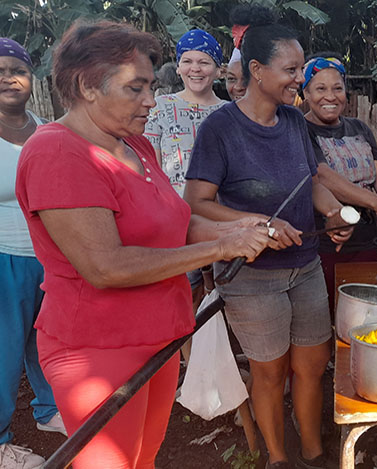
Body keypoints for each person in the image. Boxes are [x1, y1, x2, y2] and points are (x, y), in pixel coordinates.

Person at [15, 21, 271, 468]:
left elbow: (173, 221)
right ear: (86, 86)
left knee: (142, 459)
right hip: (98, 351)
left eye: (151, 86)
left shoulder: (133, 143)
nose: (151, 100)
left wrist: (236, 231)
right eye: (136, 88)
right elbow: (106, 267)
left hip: (157, 338)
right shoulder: (57, 153)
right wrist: (219, 249)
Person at [184, 6, 352, 468]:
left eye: (301, 69)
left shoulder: (294, 122)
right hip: (251, 276)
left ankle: (314, 452)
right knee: (270, 370)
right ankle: (278, 458)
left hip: (305, 266)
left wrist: (333, 211)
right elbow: (196, 202)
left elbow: (311, 180)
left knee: (312, 364)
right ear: (257, 71)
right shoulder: (221, 127)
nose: (300, 79)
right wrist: (258, 224)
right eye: (292, 70)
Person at [302, 52, 377, 311]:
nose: (330, 96)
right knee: (324, 322)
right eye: (319, 88)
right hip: (325, 246)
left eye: (337, 88)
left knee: (363, 316)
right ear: (305, 94)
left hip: (366, 244)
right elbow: (322, 175)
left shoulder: (359, 128)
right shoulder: (301, 131)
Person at [0, 37, 64, 469]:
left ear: (31, 76)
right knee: (3, 350)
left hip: (49, 257)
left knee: (47, 340)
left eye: (16, 69)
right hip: (3, 256)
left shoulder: (47, 129)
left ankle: (49, 410)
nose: (8, 78)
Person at [144, 29, 226, 196]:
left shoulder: (231, 113)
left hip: (221, 215)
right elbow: (151, 169)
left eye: (204, 62)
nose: (195, 69)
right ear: (178, 68)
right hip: (172, 211)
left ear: (219, 70)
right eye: (187, 61)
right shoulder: (158, 108)